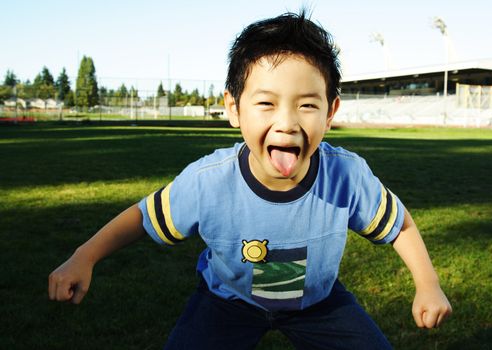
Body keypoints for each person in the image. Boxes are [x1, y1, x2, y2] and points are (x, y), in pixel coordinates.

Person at [48, 11, 452, 350]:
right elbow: (143, 217)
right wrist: (84, 257)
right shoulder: (208, 182)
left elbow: (399, 225)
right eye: (266, 103)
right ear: (234, 108)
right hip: (227, 302)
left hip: (319, 303)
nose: (287, 122)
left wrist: (428, 284)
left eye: (307, 105)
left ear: (331, 111)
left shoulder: (346, 175)